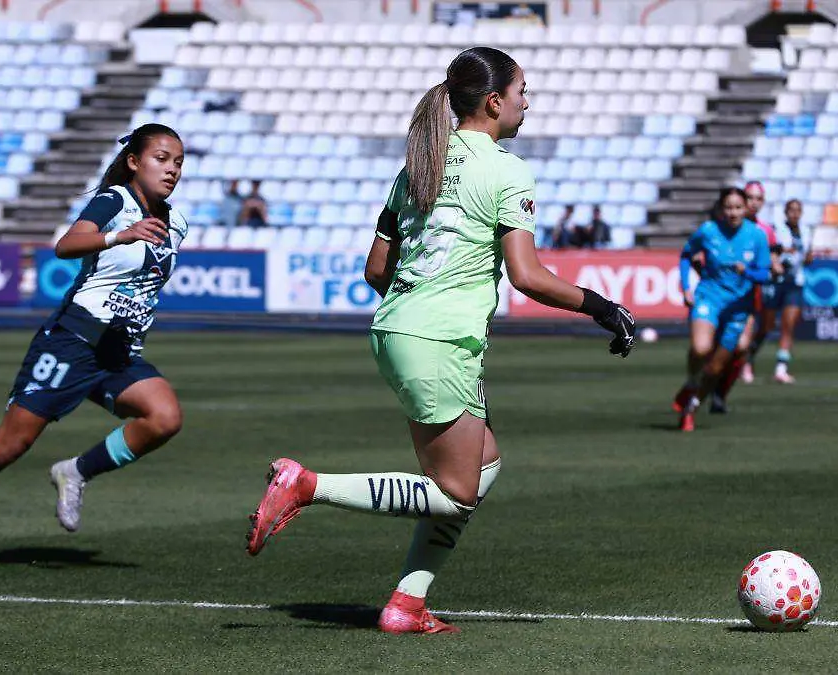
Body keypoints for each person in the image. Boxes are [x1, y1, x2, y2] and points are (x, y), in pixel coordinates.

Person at [243, 47, 636, 634]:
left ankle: (407, 603)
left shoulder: (420, 163)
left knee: (486, 465)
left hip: (403, 328)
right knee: (455, 492)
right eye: (523, 91)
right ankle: (307, 485)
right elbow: (527, 276)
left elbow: (376, 270)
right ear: (495, 101)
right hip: (440, 340)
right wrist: (603, 307)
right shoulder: (506, 169)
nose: (529, 102)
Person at [0, 123, 190, 571]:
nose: (171, 169)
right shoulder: (115, 201)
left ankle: (75, 471)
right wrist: (120, 235)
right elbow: (66, 245)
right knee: (10, 446)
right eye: (161, 158)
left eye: (177, 162)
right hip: (74, 341)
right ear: (134, 161)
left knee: (164, 417)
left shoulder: (178, 222)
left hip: (117, 351)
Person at [672, 187, 771, 432]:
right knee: (700, 348)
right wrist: (686, 287)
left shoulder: (756, 236)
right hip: (709, 297)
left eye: (738, 207)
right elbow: (686, 254)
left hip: (739, 307)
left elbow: (765, 273)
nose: (733, 212)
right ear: (721, 209)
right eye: (728, 207)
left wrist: (746, 272)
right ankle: (692, 381)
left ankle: (691, 408)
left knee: (716, 367)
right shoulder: (708, 231)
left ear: (746, 208)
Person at [704, 181, 780, 413]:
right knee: (716, 347)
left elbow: (772, 261)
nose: (753, 203)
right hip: (720, 295)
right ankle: (705, 387)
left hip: (749, 296)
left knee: (740, 347)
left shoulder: (764, 231)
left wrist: (775, 266)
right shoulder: (722, 227)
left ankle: (720, 393)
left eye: (758, 198)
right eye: (750, 198)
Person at [747, 199, 812, 383]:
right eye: (791, 210)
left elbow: (807, 256)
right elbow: (769, 250)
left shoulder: (806, 231)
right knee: (766, 327)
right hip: (775, 281)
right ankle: (748, 359)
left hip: (795, 281)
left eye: (798, 210)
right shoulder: (776, 229)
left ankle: (781, 368)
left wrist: (808, 258)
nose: (795, 213)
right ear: (785, 212)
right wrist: (781, 255)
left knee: (788, 325)